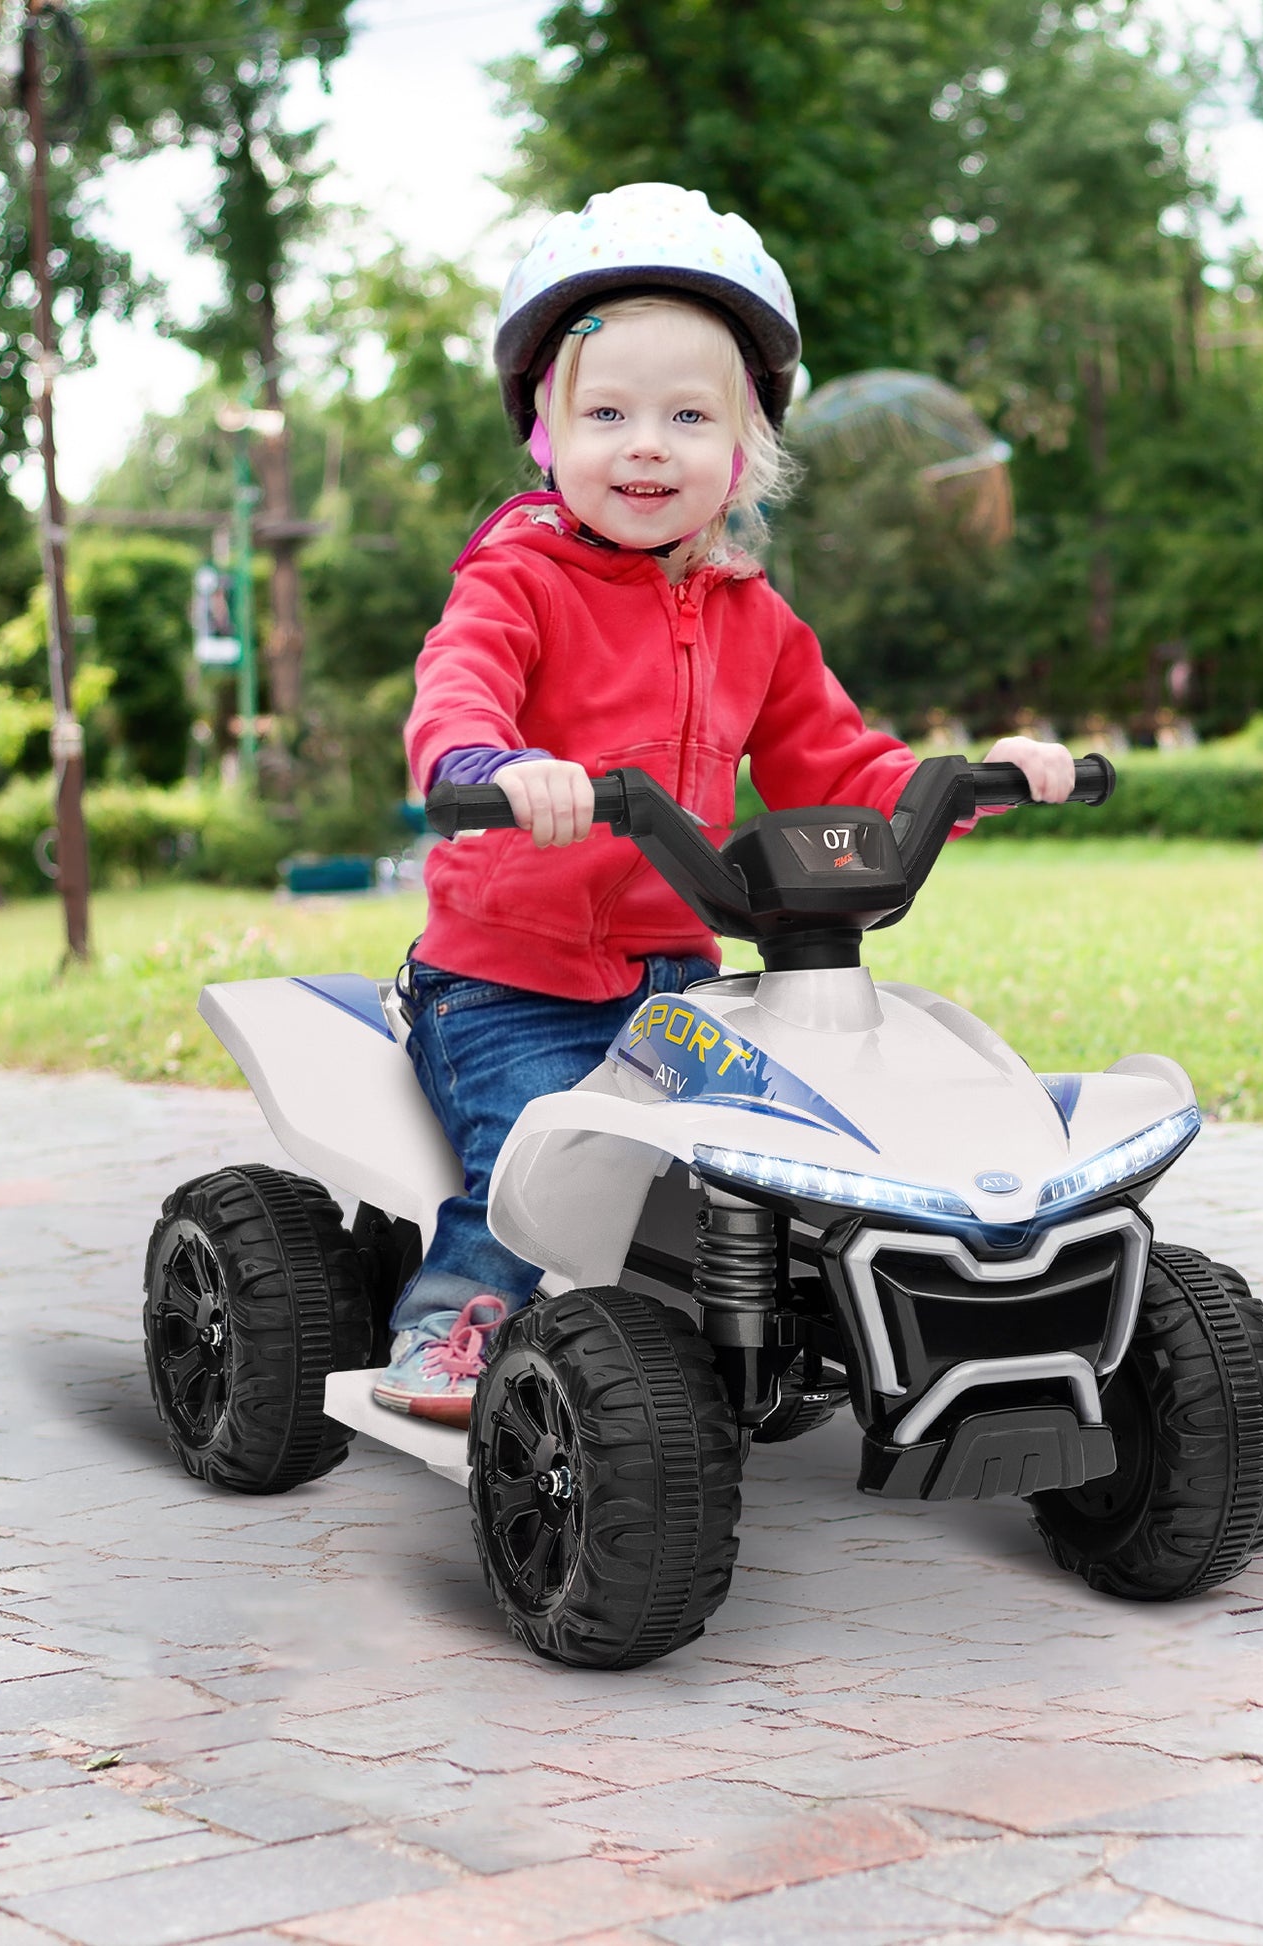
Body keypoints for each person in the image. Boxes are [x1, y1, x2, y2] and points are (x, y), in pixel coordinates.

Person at [375, 182, 1076, 1422]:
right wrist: (490, 766)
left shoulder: (752, 613)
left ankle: (780, 1329)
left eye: (687, 414)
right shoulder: (515, 582)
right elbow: (457, 691)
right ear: (546, 434)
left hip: (675, 970)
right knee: (529, 1160)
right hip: (505, 975)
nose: (646, 443)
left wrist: (966, 782)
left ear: (742, 447)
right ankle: (448, 1325)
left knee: (780, 1149)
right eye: (607, 412)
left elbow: (839, 764)